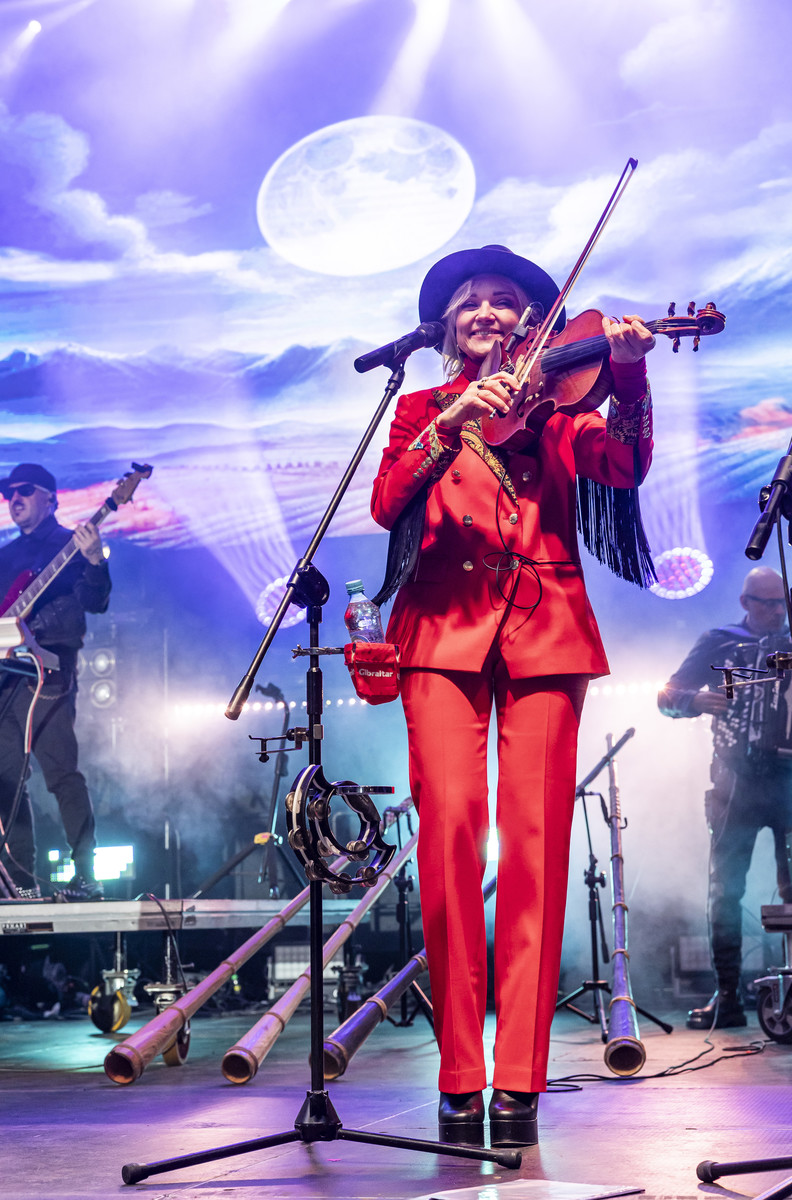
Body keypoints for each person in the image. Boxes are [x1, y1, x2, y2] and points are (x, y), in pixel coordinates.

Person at [370, 245, 655, 1146]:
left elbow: (624, 467)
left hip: (546, 632)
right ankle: (460, 1074)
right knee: (449, 838)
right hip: (439, 634)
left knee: (534, 850)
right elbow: (385, 503)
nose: (487, 312)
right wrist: (450, 423)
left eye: (504, 301)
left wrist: (631, 375)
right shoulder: (422, 407)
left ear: (534, 322)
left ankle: (520, 1079)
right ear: (447, 323)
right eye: (470, 302)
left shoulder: (563, 411)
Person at [658, 565, 792, 1030]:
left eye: (781, 602)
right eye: (766, 603)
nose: (776, 611)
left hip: (790, 780)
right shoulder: (720, 641)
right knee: (725, 891)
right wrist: (693, 701)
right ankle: (728, 995)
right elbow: (667, 695)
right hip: (736, 782)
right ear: (745, 602)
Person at [0, 463, 112, 901]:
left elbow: (95, 602)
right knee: (5, 781)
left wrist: (95, 560)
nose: (15, 498)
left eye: (25, 490)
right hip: (4, 679)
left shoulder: (69, 544)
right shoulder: (2, 558)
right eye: (9, 492)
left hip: (49, 673)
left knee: (62, 774)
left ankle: (87, 876)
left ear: (51, 498)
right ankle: (20, 883)